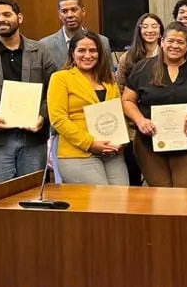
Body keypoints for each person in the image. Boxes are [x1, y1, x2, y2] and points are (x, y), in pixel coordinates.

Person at [0, 0, 59, 187]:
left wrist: (42, 116)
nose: (1, 19)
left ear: (20, 17)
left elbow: (54, 91)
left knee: (33, 195)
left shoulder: (42, 51)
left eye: (6, 14)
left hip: (33, 138)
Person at [122, 22, 187, 187]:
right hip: (149, 143)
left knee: (186, 193)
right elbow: (127, 100)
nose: (175, 45)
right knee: (160, 194)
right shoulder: (142, 68)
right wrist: (140, 120)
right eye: (170, 41)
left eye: (180, 42)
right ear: (162, 42)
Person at [47, 32, 128, 185]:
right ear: (72, 53)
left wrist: (121, 141)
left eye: (93, 50)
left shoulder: (110, 79)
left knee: (122, 199)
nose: (87, 55)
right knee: (101, 201)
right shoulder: (60, 78)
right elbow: (58, 119)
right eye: (81, 50)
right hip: (78, 153)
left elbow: (118, 114)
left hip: (112, 152)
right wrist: (90, 143)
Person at [115, 13, 163, 186]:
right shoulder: (127, 58)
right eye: (145, 26)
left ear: (161, 31)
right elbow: (119, 90)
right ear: (139, 30)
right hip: (133, 126)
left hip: (163, 123)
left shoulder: (169, 55)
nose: (150, 30)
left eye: (154, 26)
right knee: (132, 173)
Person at [39, 0, 113, 68]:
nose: (69, 15)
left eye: (74, 10)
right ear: (59, 15)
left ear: (83, 11)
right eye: (64, 11)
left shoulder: (102, 42)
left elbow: (109, 75)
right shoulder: (45, 45)